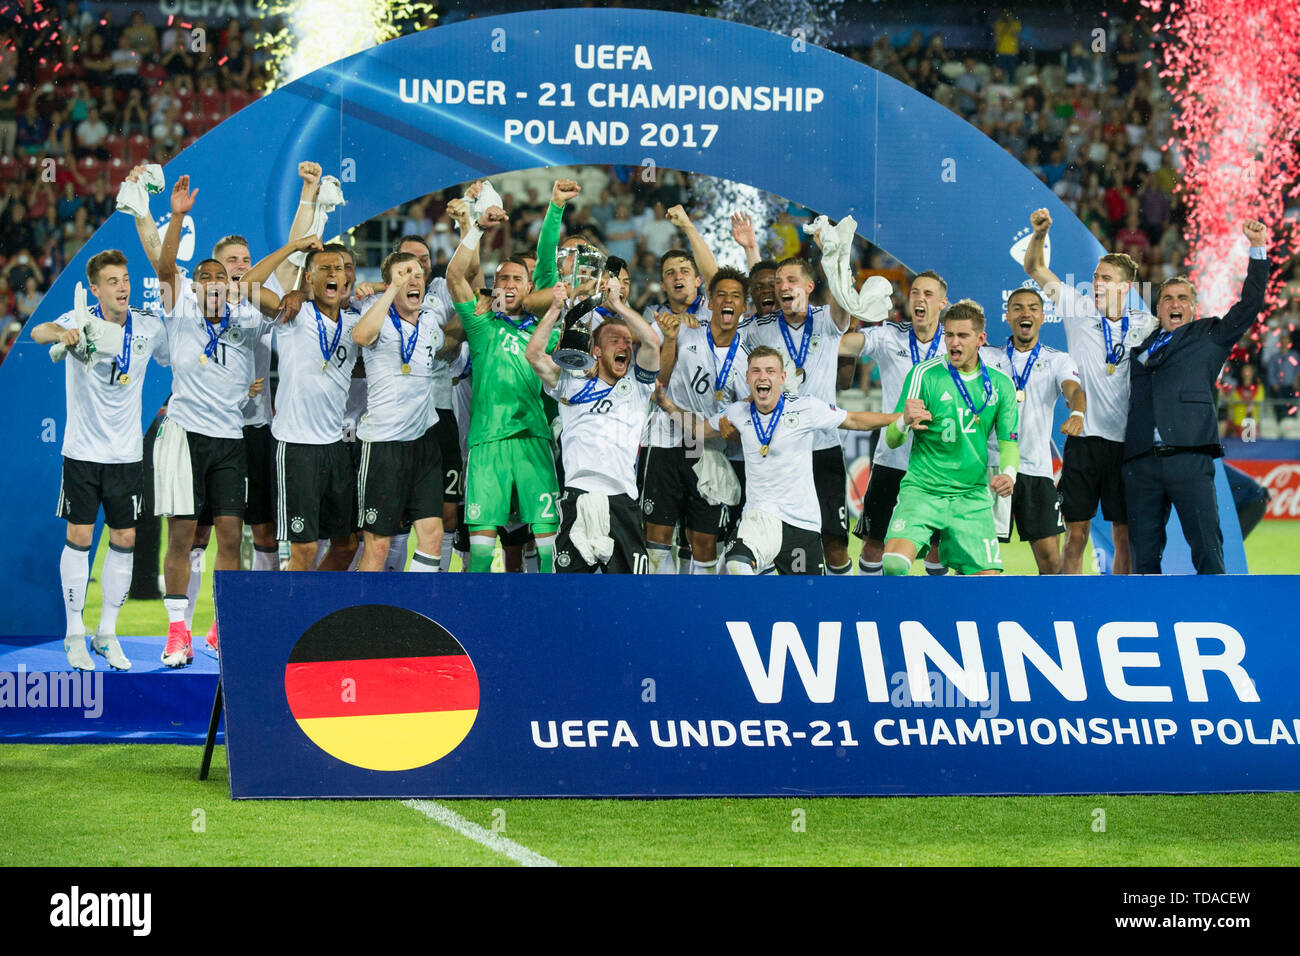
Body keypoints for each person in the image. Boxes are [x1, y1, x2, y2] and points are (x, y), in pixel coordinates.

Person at [146, 176, 284, 666]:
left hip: (230, 439)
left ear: (230, 286)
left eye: (219, 278)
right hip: (185, 436)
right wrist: (177, 215)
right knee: (182, 536)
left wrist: (282, 262)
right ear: (195, 285)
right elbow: (164, 267)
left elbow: (265, 291)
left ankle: (221, 628)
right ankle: (177, 631)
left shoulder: (245, 319)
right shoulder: (180, 309)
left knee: (231, 536)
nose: (211, 283)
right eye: (203, 276)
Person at [30, 250, 169, 671]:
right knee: (81, 537)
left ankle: (106, 633)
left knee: (125, 540)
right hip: (83, 454)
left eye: (125, 279)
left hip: (127, 455)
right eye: (112, 281)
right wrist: (62, 332)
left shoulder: (147, 326)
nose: (122, 287)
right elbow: (37, 331)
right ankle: (75, 633)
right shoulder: (80, 319)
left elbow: (174, 357)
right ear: (95, 288)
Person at [658, 346, 898, 575]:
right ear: (747, 378)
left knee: (806, 601)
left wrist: (901, 418)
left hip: (802, 523)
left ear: (782, 377)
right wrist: (666, 404)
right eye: (756, 371)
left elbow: (854, 420)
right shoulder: (736, 413)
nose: (763, 377)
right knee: (736, 566)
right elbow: (698, 430)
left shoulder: (806, 408)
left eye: (770, 371)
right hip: (760, 517)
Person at [1122, 220, 1270, 574]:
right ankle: (1149, 620)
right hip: (1141, 462)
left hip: (1189, 458)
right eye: (1167, 299)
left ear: (1193, 308)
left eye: (1182, 298)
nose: (1174, 304)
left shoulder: (1210, 336)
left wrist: (1258, 248)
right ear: (1158, 310)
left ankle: (1216, 614)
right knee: (1143, 559)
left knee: (1206, 549)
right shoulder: (1139, 347)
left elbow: (1250, 305)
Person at [1023, 207, 1153, 574]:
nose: (1097, 283)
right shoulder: (1077, 308)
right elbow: (1034, 268)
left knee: (1123, 536)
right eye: (1096, 276)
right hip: (1082, 442)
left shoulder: (1145, 324)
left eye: (1106, 278)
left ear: (1125, 287)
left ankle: (1119, 603)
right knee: (1076, 535)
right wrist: (1040, 233)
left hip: (1125, 445)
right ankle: (1070, 604)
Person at [448, 196, 563, 572]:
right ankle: (477, 622)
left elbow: (548, 266)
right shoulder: (482, 324)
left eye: (517, 279)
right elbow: (454, 277)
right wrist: (477, 228)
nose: (509, 284)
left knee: (547, 546)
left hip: (533, 441)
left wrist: (556, 207)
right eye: (502, 279)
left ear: (530, 288)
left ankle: (546, 614)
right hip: (486, 444)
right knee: (482, 551)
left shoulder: (545, 329)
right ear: (493, 287)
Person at [526, 278, 660, 573]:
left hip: (623, 502)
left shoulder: (638, 387)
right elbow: (534, 355)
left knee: (631, 593)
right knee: (568, 593)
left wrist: (617, 306)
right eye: (615, 341)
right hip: (577, 497)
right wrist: (554, 310)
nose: (625, 345)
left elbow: (650, 341)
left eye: (627, 342)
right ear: (596, 351)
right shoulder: (570, 382)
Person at [882, 300, 1019, 576]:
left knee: (989, 584)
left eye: (963, 336)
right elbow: (892, 440)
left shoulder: (1001, 384)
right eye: (949, 335)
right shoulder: (924, 374)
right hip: (923, 491)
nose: (953, 342)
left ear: (981, 339)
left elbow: (1009, 442)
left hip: (970, 495)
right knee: (894, 565)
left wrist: (1009, 474)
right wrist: (903, 420)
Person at [741, 257, 854, 574]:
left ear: (810, 285)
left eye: (791, 279)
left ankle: (844, 607)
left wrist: (834, 256)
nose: (782, 286)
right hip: (777, 452)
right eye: (778, 281)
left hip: (822, 447)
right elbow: (720, 336)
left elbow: (844, 303)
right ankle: (772, 611)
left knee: (834, 542)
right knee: (769, 538)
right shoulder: (757, 329)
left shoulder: (828, 319)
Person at [838, 270, 949, 575]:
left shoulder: (953, 345)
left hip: (937, 463)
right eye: (915, 292)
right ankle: (869, 611)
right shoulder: (889, 336)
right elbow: (844, 346)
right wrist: (852, 311)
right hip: (893, 459)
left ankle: (934, 611)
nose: (920, 299)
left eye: (928, 294)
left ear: (942, 303)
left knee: (938, 548)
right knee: (875, 544)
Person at [641, 267, 751, 575]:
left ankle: (700, 611)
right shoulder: (684, 331)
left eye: (736, 296)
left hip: (709, 449)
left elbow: (745, 413)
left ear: (744, 307)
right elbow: (659, 380)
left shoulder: (746, 358)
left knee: (704, 538)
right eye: (722, 295)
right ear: (711, 302)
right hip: (666, 439)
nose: (728, 301)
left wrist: (735, 429)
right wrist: (671, 341)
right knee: (657, 537)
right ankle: (660, 608)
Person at [267, 244, 364, 571]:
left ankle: (313, 610)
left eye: (340, 268)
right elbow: (242, 288)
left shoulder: (357, 323)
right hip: (296, 447)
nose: (334, 274)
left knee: (347, 546)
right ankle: (289, 617)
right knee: (305, 549)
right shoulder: (294, 314)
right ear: (309, 277)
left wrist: (376, 287)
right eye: (324, 269)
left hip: (335, 446)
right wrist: (292, 250)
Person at [351, 253, 449, 572]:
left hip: (423, 443)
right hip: (383, 444)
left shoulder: (431, 319)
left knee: (432, 537)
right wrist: (389, 290)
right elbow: (361, 337)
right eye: (404, 273)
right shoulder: (374, 311)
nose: (413, 279)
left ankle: (415, 617)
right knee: (378, 546)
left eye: (418, 274)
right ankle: (364, 618)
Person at [981, 288, 1087, 574]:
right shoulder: (986, 357)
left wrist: (1077, 412)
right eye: (1017, 308)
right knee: (978, 556)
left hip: (1035, 469)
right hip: (991, 467)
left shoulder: (1058, 360)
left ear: (1042, 317)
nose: (1025, 313)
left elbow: (1074, 389)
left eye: (1031, 308)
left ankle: (1052, 616)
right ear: (1007, 317)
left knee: (1051, 561)